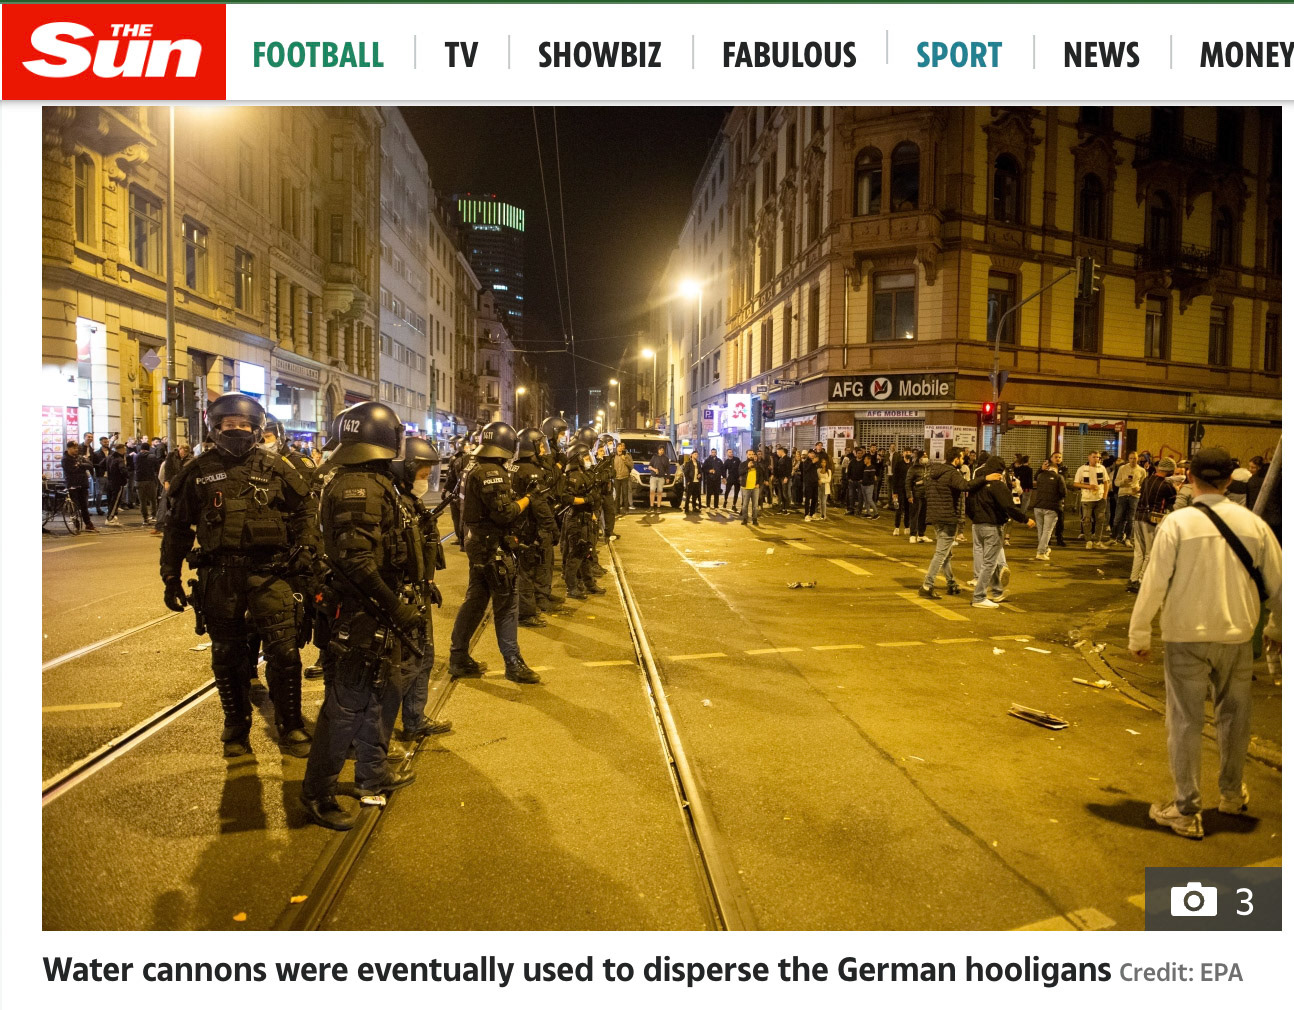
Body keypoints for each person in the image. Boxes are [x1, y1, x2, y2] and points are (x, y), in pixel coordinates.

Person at [1129, 448, 1283, 839]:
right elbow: (1280, 589)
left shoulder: (1178, 524)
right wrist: (1278, 630)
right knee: (1235, 720)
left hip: (1185, 638)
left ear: (1190, 479)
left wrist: (1140, 633)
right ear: (1231, 480)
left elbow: (1154, 582)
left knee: (1185, 722)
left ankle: (1186, 809)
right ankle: (1231, 795)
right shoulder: (1255, 526)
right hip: (1236, 637)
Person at [161, 393, 318, 760]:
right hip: (220, 576)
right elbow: (178, 528)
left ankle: (291, 724)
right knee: (227, 655)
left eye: (243, 425)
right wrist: (170, 575)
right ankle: (235, 727)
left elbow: (305, 510)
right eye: (228, 425)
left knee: (285, 653)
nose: (236, 431)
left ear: (256, 428)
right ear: (215, 428)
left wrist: (307, 549)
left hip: (271, 573)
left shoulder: (277, 466)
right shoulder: (197, 471)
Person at [300, 403, 423, 829]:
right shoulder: (360, 487)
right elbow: (357, 561)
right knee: (347, 705)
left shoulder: (373, 481)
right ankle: (317, 792)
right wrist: (395, 606)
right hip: (361, 612)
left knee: (374, 694)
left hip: (373, 612)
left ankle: (372, 773)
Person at [449, 420, 542, 684]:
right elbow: (504, 513)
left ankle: (458, 656)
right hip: (494, 548)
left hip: (477, 544)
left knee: (476, 600)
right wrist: (527, 499)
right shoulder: (493, 472)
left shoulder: (472, 467)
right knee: (507, 606)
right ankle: (513, 663)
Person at [386, 435, 453, 741]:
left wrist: (428, 582)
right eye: (422, 474)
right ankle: (380, 734)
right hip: (400, 596)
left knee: (425, 656)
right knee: (402, 666)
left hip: (419, 590)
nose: (426, 479)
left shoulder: (411, 502)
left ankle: (414, 718)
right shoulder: (392, 503)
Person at [965, 456, 1036, 609]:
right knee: (990, 562)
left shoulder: (978, 484)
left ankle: (996, 592)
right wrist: (1025, 519)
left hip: (977, 525)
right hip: (992, 526)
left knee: (991, 559)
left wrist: (975, 518)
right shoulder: (998, 485)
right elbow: (1009, 507)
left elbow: (968, 505)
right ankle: (979, 596)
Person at [513, 428, 558, 626]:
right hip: (529, 527)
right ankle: (526, 613)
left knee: (524, 569)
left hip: (517, 526)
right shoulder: (531, 473)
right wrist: (552, 528)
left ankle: (530, 606)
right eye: (540, 445)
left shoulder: (513, 467)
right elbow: (539, 506)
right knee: (528, 571)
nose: (542, 449)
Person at [559, 431, 606, 600]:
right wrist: (586, 499)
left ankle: (589, 584)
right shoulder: (574, 477)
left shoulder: (584, 474)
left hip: (585, 519)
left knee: (586, 552)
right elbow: (567, 498)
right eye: (585, 457)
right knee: (576, 554)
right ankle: (571, 587)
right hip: (576, 519)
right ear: (577, 458)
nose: (588, 460)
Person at [917, 449, 969, 599]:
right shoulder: (952, 473)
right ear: (956, 459)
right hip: (948, 517)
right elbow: (966, 486)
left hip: (936, 516)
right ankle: (927, 585)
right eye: (962, 458)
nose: (963, 461)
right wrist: (985, 479)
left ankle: (951, 583)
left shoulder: (934, 472)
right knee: (941, 553)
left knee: (946, 552)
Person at [1128, 458, 1180, 593]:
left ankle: (1133, 580)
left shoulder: (1147, 480)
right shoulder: (1167, 485)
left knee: (1139, 552)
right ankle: (1141, 581)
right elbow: (1174, 503)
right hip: (1152, 519)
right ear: (1170, 471)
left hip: (1138, 517)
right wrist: (1177, 488)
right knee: (1150, 553)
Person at [1073, 451, 1111, 549]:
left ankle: (1097, 540)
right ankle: (1088, 540)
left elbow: (1106, 482)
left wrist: (1104, 496)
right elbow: (1076, 483)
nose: (1096, 459)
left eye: (1098, 457)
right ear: (1089, 457)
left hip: (1100, 498)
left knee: (1100, 520)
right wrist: (1089, 486)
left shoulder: (1102, 468)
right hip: (1087, 499)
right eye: (1094, 457)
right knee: (1086, 520)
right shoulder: (1082, 469)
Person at [1031, 457, 1066, 560]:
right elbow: (1063, 492)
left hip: (1038, 505)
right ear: (1055, 469)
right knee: (1047, 530)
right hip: (1052, 506)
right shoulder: (1059, 477)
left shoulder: (1041, 476)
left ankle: (1045, 549)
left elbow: (1036, 478)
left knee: (1041, 530)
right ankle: (1041, 552)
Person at [61, 440, 97, 531]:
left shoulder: (79, 457)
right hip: (72, 484)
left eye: (77, 448)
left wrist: (80, 465)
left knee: (84, 505)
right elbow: (72, 470)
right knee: (74, 505)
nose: (76, 450)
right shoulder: (65, 459)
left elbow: (90, 465)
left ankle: (88, 524)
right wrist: (82, 467)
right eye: (74, 448)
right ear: (69, 448)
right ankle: (76, 522)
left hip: (83, 484)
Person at [1111, 451, 1145, 545]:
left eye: (1135, 458)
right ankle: (1115, 537)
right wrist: (1123, 482)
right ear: (1128, 459)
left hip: (1134, 496)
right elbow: (1116, 482)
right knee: (1118, 517)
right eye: (1131, 458)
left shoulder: (1141, 470)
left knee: (1131, 519)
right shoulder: (1122, 468)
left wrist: (1139, 488)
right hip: (1123, 494)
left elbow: (1143, 483)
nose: (1133, 460)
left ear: (1138, 459)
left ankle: (1128, 538)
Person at [738, 448, 768, 526]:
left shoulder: (757, 465)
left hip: (755, 488)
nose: (751, 456)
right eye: (749, 454)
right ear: (746, 455)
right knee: (745, 505)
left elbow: (762, 475)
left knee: (755, 505)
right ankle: (745, 519)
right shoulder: (743, 464)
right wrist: (747, 467)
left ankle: (755, 519)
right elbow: (740, 473)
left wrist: (759, 483)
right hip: (746, 487)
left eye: (752, 454)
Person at [905, 451, 930, 543]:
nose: (926, 457)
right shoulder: (913, 468)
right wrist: (909, 495)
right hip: (916, 495)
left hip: (926, 494)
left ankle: (921, 534)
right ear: (919, 458)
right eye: (924, 456)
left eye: (926, 456)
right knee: (914, 515)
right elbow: (908, 483)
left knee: (923, 516)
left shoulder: (928, 468)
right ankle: (912, 534)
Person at [103, 443, 130, 525]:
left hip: (110, 481)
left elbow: (101, 465)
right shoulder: (120, 459)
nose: (125, 451)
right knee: (115, 501)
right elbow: (123, 470)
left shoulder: (109, 457)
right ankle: (110, 518)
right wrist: (127, 476)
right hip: (118, 482)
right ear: (121, 449)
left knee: (111, 500)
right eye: (124, 449)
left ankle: (112, 515)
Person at [1048, 451, 1070, 546]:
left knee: (1060, 519)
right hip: (1048, 497)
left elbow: (1063, 479)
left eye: (1059, 457)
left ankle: (1059, 537)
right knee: (1048, 520)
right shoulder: (1046, 467)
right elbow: (1038, 477)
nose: (1058, 459)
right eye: (1056, 457)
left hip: (1059, 498)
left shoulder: (1063, 469)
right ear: (1051, 458)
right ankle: (1047, 538)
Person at [891, 448, 911, 536]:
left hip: (909, 490)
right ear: (903, 453)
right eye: (907, 452)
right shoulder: (899, 464)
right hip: (899, 489)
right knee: (898, 509)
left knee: (908, 509)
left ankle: (907, 527)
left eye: (909, 452)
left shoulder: (912, 464)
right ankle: (897, 527)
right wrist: (894, 492)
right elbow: (895, 478)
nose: (908, 453)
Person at [858, 452, 881, 519]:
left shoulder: (872, 467)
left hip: (869, 486)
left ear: (869, 460)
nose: (864, 460)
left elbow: (871, 478)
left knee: (869, 499)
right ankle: (868, 513)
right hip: (864, 485)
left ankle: (876, 513)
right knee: (866, 500)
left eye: (865, 459)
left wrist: (864, 481)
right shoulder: (865, 467)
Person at [613, 441, 634, 510]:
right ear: (616, 448)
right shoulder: (613, 456)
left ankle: (626, 508)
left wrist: (625, 460)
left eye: (621, 447)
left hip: (625, 477)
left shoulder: (626, 456)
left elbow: (631, 465)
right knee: (617, 495)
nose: (620, 448)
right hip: (616, 477)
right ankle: (617, 509)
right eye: (618, 447)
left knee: (625, 493)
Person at [648, 444, 669, 512]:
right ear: (658, 450)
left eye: (662, 450)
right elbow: (649, 466)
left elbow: (667, 469)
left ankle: (658, 507)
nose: (661, 451)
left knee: (660, 492)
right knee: (652, 491)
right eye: (660, 450)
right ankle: (651, 506)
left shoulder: (666, 458)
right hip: (653, 477)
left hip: (661, 478)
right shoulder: (654, 457)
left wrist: (668, 477)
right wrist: (654, 469)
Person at [800, 450, 820, 520]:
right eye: (811, 453)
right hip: (808, 483)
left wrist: (818, 479)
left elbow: (815, 472)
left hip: (815, 482)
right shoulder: (805, 462)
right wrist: (812, 462)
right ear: (808, 454)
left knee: (815, 498)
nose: (812, 455)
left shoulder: (815, 463)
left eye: (813, 454)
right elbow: (806, 470)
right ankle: (806, 514)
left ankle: (812, 513)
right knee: (807, 498)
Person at [772, 446, 792, 512]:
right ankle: (781, 507)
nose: (777, 453)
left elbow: (789, 469)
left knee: (784, 493)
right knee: (780, 493)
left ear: (781, 451)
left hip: (784, 478)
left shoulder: (788, 459)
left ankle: (785, 508)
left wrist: (786, 477)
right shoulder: (780, 459)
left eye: (778, 452)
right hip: (780, 478)